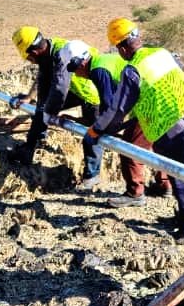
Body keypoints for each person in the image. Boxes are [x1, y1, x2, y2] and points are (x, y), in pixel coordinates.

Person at [100, 18, 184, 243]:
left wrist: (97, 131)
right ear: (137, 37)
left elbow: (118, 109)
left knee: (183, 176)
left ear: (120, 48)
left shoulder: (133, 70)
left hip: (174, 129)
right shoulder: (161, 53)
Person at [7, 27, 104, 189]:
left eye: (29, 58)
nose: (29, 61)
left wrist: (48, 114)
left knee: (92, 134)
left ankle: (91, 176)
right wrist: (31, 99)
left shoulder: (61, 54)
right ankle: (29, 148)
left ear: (35, 52)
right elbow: (43, 79)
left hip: (93, 93)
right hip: (74, 89)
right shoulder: (47, 51)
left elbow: (60, 88)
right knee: (40, 108)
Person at [65, 47, 155, 202]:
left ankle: (135, 194)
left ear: (81, 63)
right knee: (160, 144)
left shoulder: (98, 71)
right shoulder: (103, 61)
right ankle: (164, 186)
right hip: (148, 100)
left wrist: (98, 130)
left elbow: (110, 107)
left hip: (148, 105)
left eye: (74, 69)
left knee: (129, 149)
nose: (76, 74)